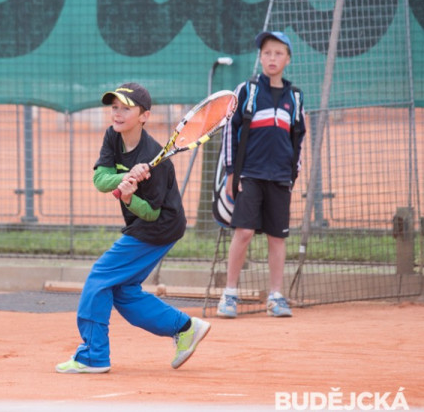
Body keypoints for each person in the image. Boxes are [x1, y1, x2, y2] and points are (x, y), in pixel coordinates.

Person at [55, 83, 210, 374]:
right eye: (114, 107)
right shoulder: (113, 137)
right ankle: (185, 327)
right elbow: (101, 180)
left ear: (144, 116)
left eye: (126, 108)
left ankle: (93, 356)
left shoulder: (157, 160)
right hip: (146, 225)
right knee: (123, 292)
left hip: (159, 226)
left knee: (99, 278)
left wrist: (129, 197)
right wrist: (126, 177)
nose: (117, 113)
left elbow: (151, 214)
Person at [216, 31, 306, 318]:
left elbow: (299, 138)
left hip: (280, 178)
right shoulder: (248, 90)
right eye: (267, 52)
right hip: (250, 175)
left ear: (288, 59)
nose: (272, 58)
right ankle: (229, 293)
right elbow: (231, 131)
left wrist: (294, 173)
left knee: (276, 238)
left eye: (278, 53)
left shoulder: (295, 96)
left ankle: (276, 297)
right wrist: (232, 172)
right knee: (243, 232)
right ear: (260, 57)